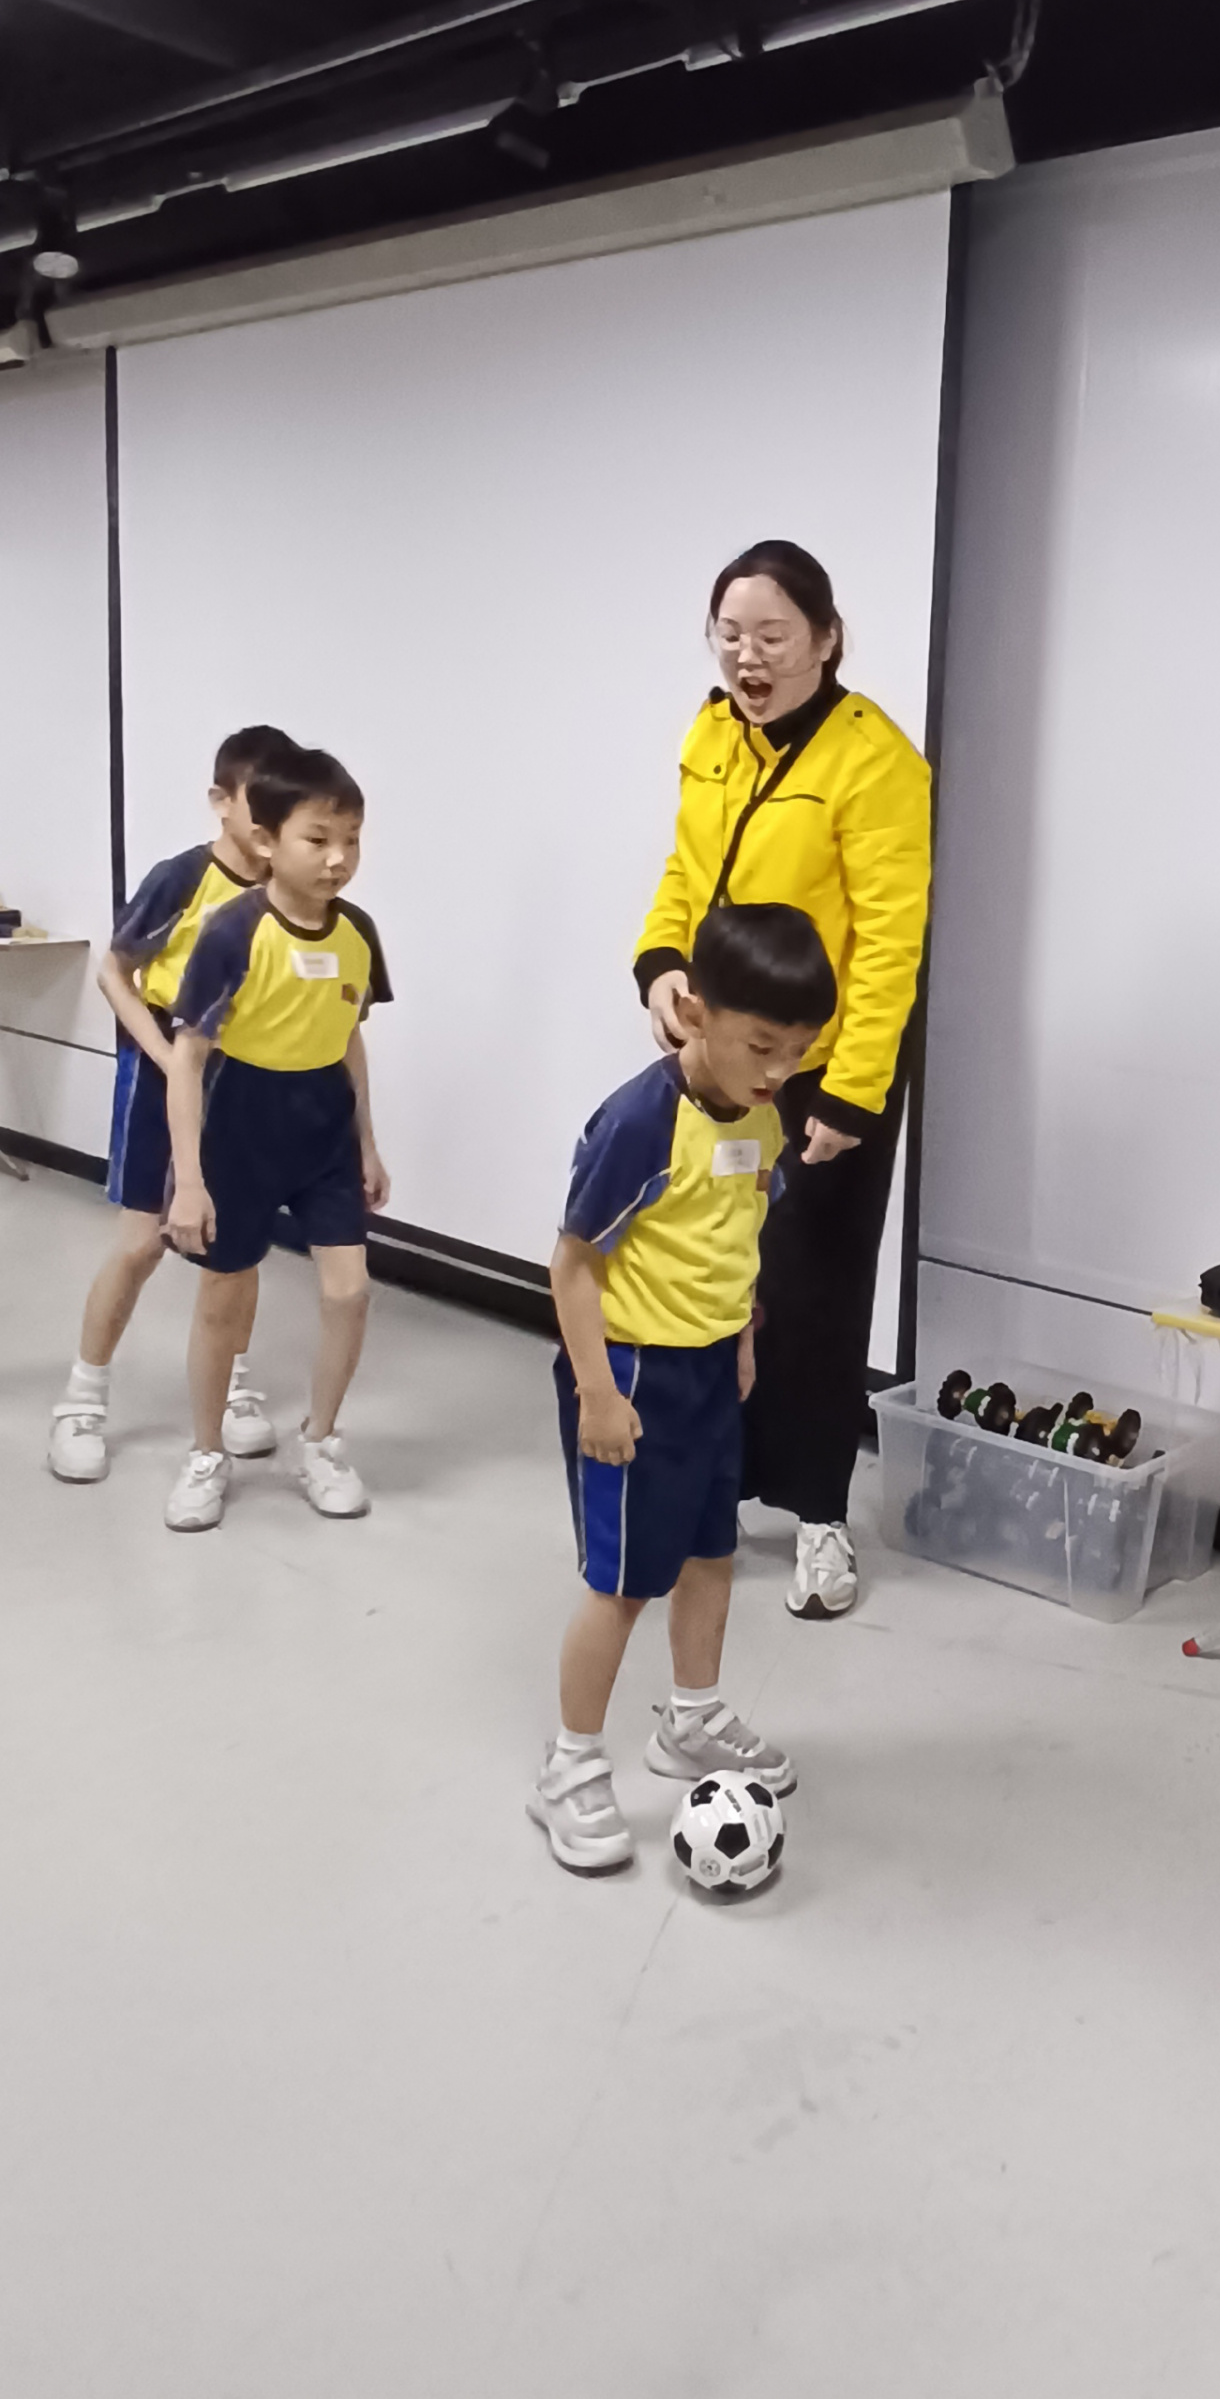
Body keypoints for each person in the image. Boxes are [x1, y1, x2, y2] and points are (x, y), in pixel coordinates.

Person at [633, 542, 931, 1623]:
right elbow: (686, 870)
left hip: (823, 1064)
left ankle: (818, 1514)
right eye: (730, 635)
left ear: (827, 639)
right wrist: (662, 964)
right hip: (715, 1047)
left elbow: (891, 942)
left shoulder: (875, 759)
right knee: (706, 1268)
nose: (747, 657)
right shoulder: (713, 734)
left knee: (814, 1289)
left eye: (773, 636)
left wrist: (852, 1093)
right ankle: (708, 1484)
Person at [529, 903, 835, 1876]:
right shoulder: (638, 1122)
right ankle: (569, 1765)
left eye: (797, 1051)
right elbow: (573, 1265)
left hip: (707, 1368)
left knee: (711, 1554)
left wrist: (739, 1333)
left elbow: (738, 1229)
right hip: (630, 1371)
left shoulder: (762, 1113)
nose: (777, 1070)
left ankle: (692, 1719)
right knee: (621, 1584)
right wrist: (596, 1392)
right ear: (696, 1013)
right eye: (761, 1046)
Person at [47, 723, 301, 1486]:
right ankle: (81, 1399)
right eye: (259, 805)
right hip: (165, 1065)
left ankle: (230, 1382)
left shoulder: (285, 890)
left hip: (246, 1077)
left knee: (238, 1247)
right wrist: (163, 1058)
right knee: (142, 1243)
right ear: (222, 801)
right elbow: (115, 971)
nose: (271, 824)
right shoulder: (181, 878)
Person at [161, 745, 392, 1534]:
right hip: (241, 1125)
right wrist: (190, 1179)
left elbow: (349, 1035)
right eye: (318, 839)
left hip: (323, 1127)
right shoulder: (233, 931)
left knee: (349, 1292)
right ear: (266, 840)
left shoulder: (358, 932)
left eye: (351, 840)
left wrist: (367, 1143)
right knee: (223, 1301)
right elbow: (188, 1059)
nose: (338, 859)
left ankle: (320, 1442)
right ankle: (205, 1453)